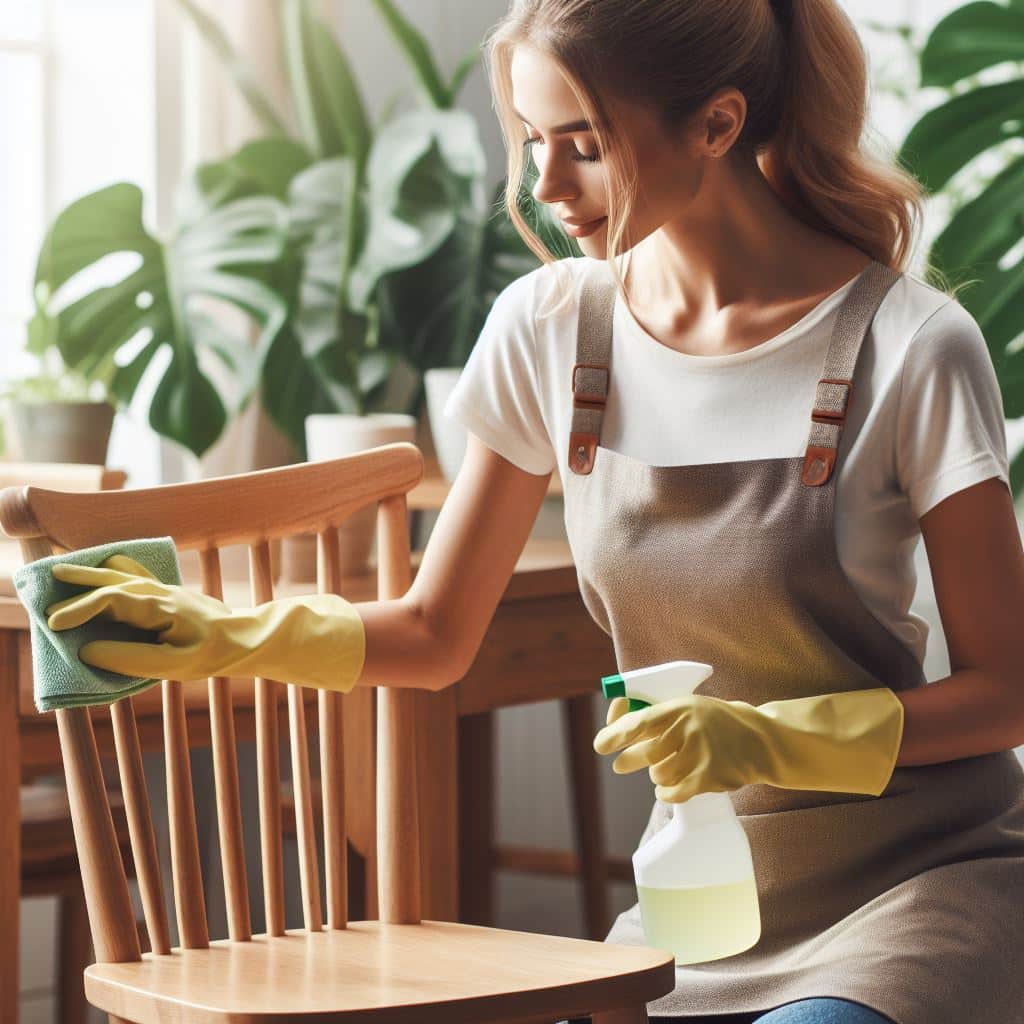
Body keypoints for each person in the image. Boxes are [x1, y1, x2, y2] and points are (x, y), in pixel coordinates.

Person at [43, 1, 1024, 1022]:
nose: (545, 187)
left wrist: (773, 738)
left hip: (919, 894)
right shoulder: (552, 330)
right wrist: (220, 632)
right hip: (700, 907)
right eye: (529, 141)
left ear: (718, 124)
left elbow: (1006, 691)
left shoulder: (911, 345)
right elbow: (433, 632)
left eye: (584, 146)